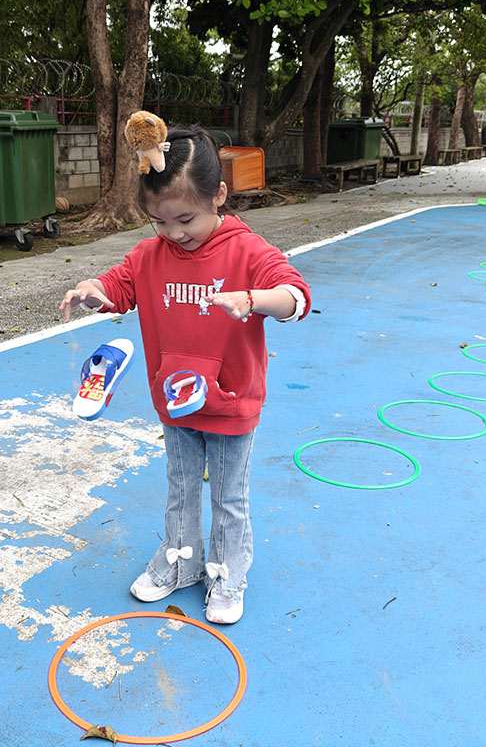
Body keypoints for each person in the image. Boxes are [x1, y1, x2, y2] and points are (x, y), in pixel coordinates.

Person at [59, 123, 312, 625]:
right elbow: (118, 286)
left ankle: (228, 571)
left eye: (185, 219)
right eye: (159, 221)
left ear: (219, 196)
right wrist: (93, 290)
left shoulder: (248, 252)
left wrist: (254, 299)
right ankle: (182, 561)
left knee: (229, 497)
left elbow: (295, 296)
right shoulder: (150, 255)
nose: (173, 233)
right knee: (180, 488)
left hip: (230, 402)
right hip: (175, 400)